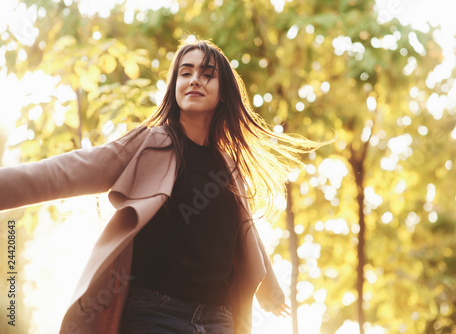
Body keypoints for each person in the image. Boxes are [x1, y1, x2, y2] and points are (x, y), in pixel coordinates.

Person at [0, 39, 331, 334]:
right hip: (155, 314)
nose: (194, 80)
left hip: (219, 320)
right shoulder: (150, 144)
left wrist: (270, 290)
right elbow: (66, 171)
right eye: (185, 73)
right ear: (174, 84)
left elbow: (244, 232)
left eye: (207, 74)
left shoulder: (229, 167)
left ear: (222, 91)